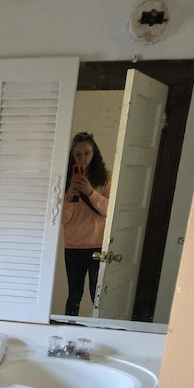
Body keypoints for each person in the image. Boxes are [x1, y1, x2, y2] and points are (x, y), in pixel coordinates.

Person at [62, 132, 112, 316]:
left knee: (97, 297)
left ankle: (99, 332)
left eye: (87, 153)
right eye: (78, 154)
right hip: (73, 246)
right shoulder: (65, 179)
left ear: (94, 154)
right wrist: (69, 198)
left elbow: (110, 211)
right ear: (72, 156)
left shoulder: (106, 178)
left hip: (98, 245)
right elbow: (63, 220)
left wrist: (90, 192)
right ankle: (67, 333)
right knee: (73, 295)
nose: (83, 159)